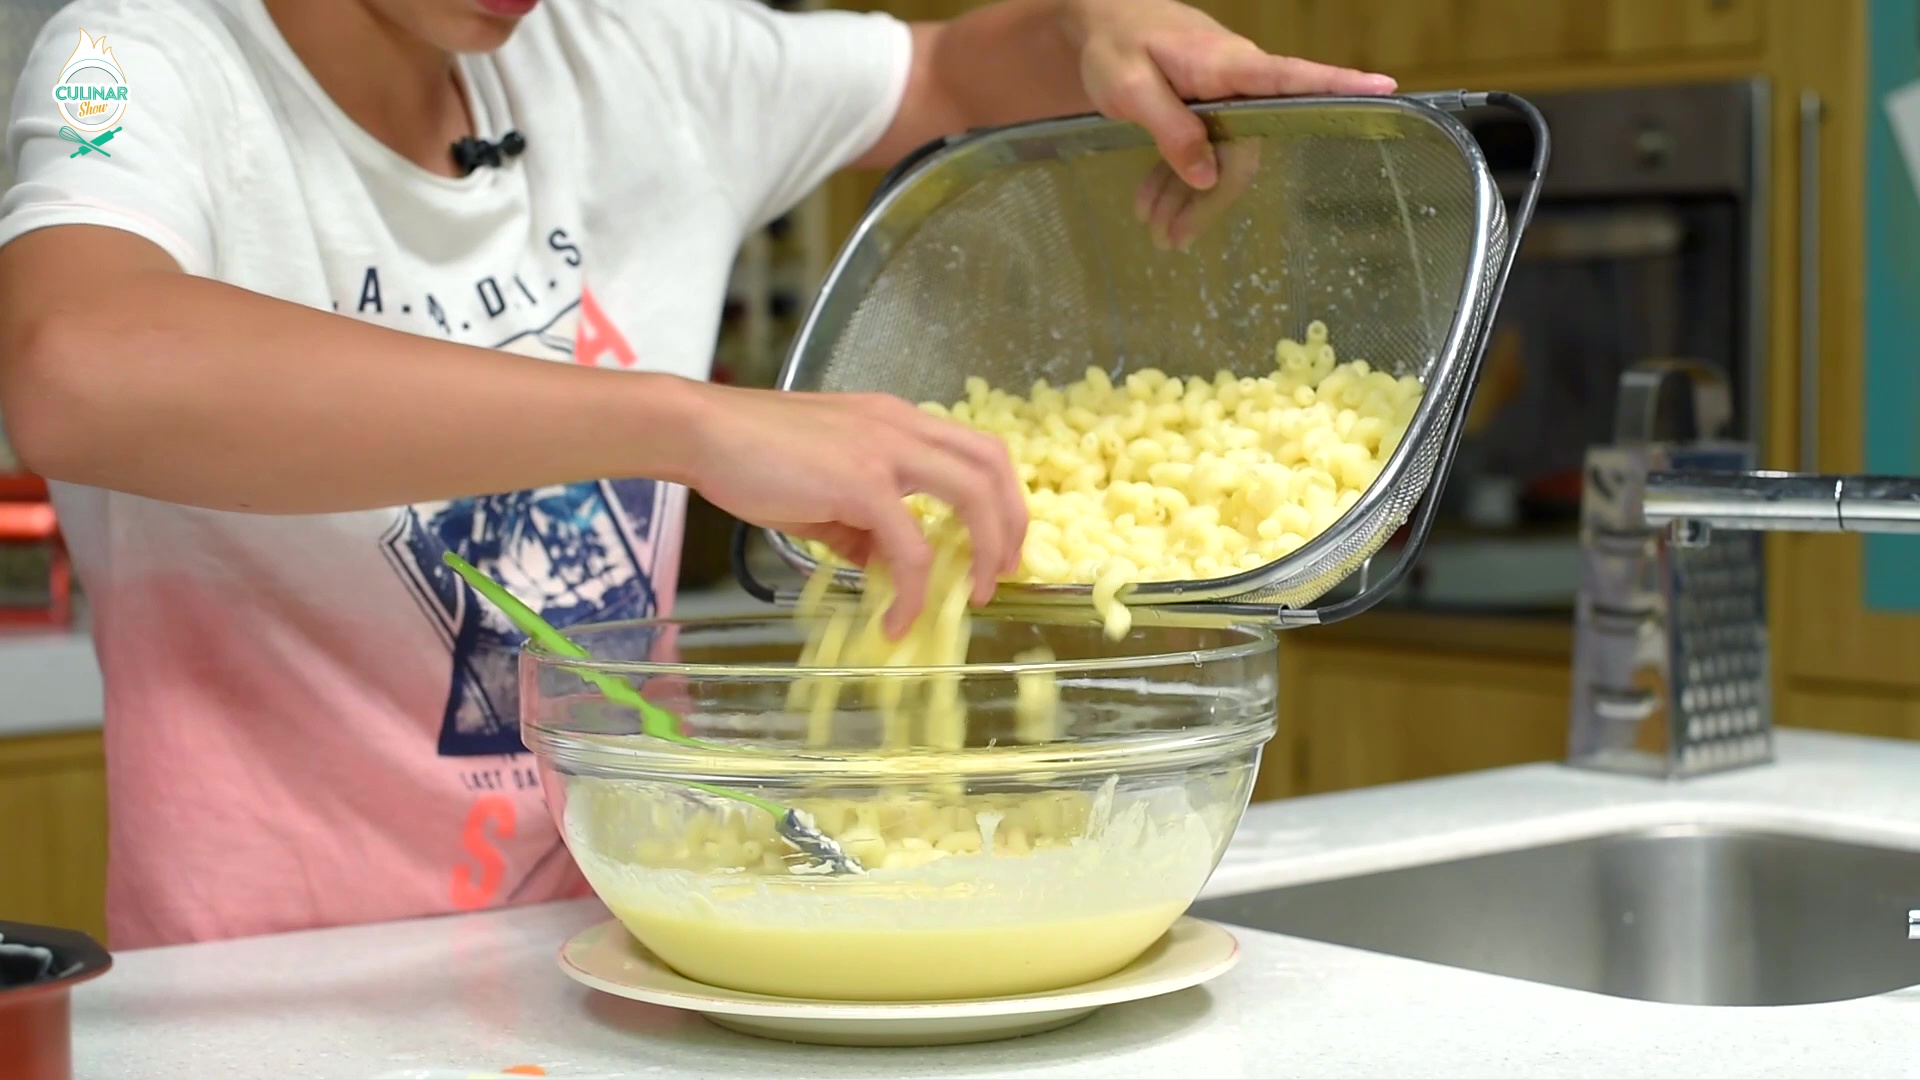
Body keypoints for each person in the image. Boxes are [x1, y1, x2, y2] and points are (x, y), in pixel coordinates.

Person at [0, 0, 1393, 950]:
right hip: (283, 997)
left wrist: (1099, 21)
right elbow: (78, 361)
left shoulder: (628, 57)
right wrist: (691, 424)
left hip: (633, 936)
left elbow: (952, 76)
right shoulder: (129, 62)